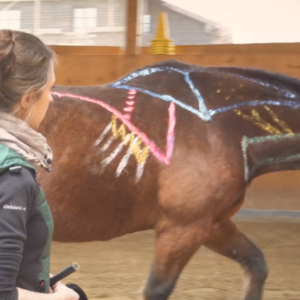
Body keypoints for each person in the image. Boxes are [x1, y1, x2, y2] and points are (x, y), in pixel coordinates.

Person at [0, 29, 79, 300]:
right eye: (50, 88)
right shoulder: (13, 179)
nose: (52, 97)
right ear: (27, 99)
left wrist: (37, 275)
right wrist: (58, 299)